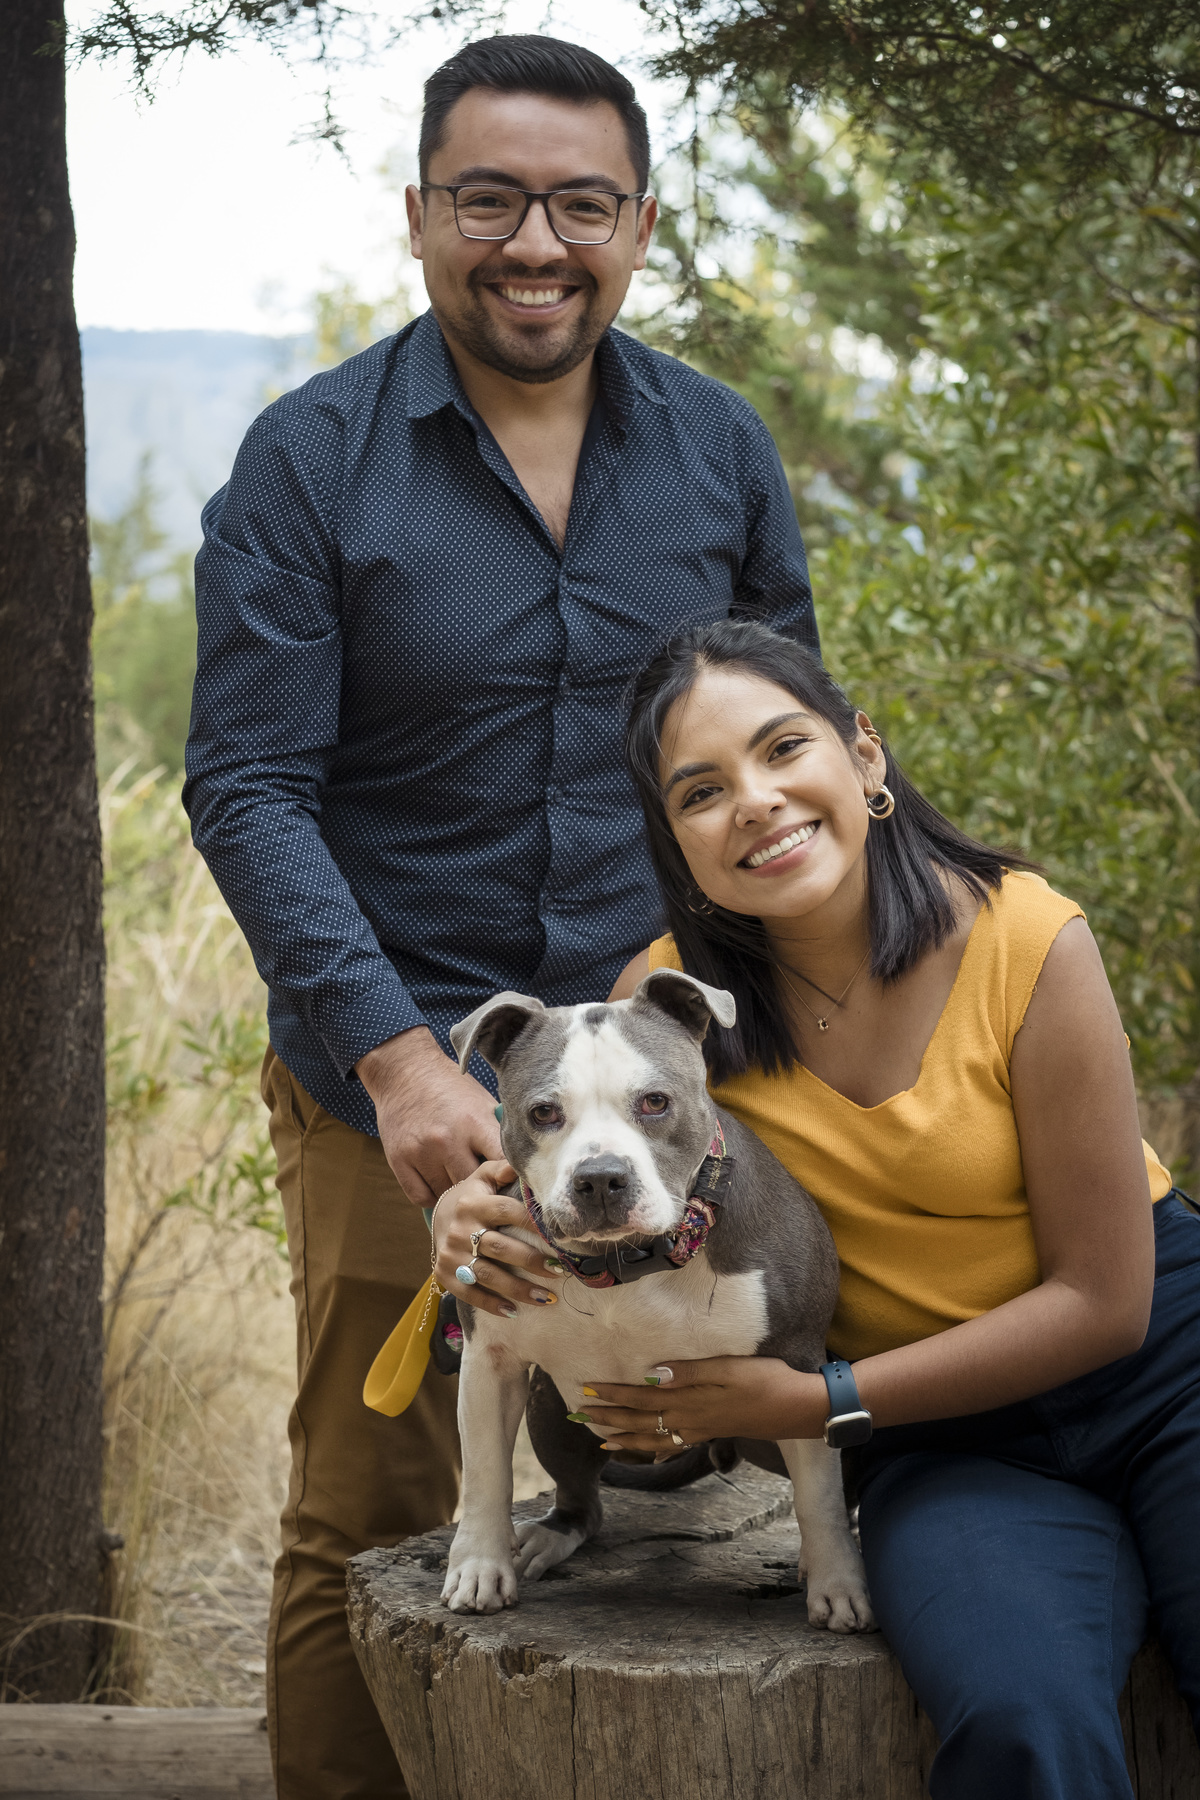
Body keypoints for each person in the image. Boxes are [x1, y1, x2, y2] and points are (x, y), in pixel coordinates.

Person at [183, 33, 818, 1799]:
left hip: (666, 1080)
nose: (534, 240)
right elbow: (244, 785)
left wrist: (720, 997)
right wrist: (396, 1065)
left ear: (635, 225)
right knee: (374, 1508)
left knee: (704, 1483)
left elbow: (780, 750)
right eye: (490, 198)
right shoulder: (311, 465)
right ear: (418, 216)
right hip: (400, 1084)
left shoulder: (718, 450)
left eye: (579, 204)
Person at [432, 618, 1199, 1799]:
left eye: (783, 747)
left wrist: (816, 1398)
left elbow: (1106, 1302)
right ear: (675, 840)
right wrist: (467, 1219)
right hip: (943, 1439)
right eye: (700, 791)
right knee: (1017, 1724)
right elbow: (571, 1159)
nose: (754, 801)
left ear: (866, 759)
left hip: (1161, 1370)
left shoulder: (1025, 939)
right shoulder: (665, 1008)